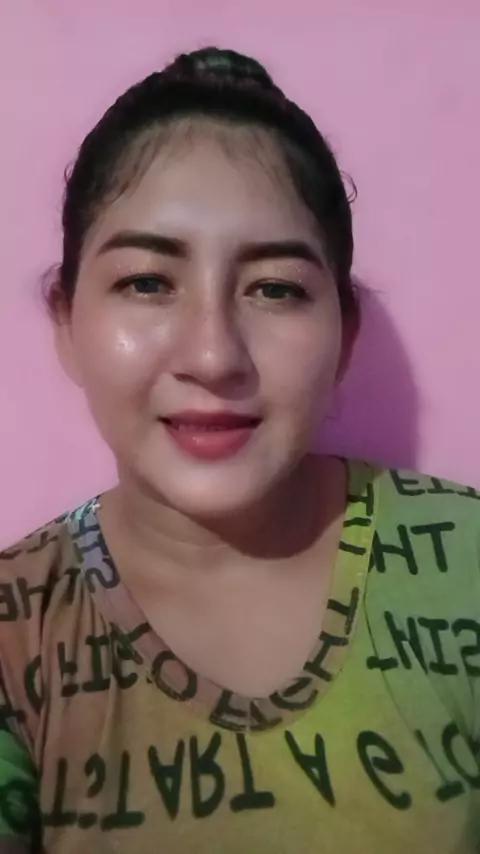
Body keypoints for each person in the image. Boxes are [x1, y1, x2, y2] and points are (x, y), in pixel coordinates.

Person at [0, 45, 479, 854]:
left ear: (345, 337)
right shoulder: (17, 630)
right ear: (66, 322)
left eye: (275, 288)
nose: (214, 355)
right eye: (148, 282)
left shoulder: (465, 562)